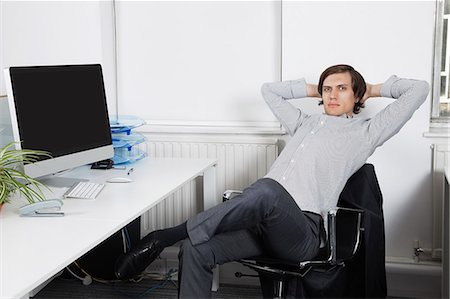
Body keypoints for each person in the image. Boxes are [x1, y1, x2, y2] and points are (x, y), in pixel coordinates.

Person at [114, 64, 429, 298]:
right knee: (195, 252)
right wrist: (313, 87)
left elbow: (419, 89)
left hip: (302, 232)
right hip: (262, 225)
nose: (332, 95)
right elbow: (269, 90)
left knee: (267, 189)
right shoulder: (305, 123)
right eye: (327, 89)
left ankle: (162, 236)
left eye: (342, 89)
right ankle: (176, 239)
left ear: (356, 95)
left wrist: (371, 88)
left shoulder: (366, 133)